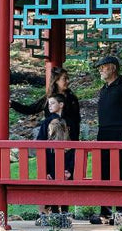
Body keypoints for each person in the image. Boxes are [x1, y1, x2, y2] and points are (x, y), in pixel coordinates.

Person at [12, 67, 80, 213]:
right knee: (51, 174)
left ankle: (65, 212)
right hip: (52, 144)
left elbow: (77, 121)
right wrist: (12, 104)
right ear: (56, 81)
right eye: (64, 79)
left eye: (67, 78)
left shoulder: (72, 98)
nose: (67, 81)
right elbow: (30, 109)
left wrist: (75, 141)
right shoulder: (49, 98)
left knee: (67, 175)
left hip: (68, 143)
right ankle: (49, 210)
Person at [90, 54, 122, 224]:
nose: (100, 69)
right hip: (103, 134)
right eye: (100, 67)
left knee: (121, 172)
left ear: (113, 68)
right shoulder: (104, 89)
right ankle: (106, 213)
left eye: (103, 66)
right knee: (104, 173)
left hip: (120, 133)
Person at [34, 94, 73, 215]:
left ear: (61, 105)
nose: (49, 106)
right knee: (60, 187)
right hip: (54, 160)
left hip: (57, 160)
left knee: (58, 187)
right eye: (49, 104)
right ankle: (60, 213)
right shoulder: (48, 121)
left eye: (53, 103)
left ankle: (57, 213)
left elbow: (39, 142)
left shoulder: (65, 121)